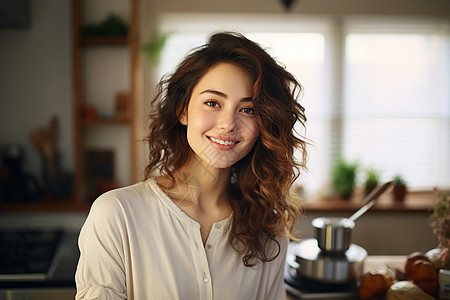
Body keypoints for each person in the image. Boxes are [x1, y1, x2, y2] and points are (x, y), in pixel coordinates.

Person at [75, 31, 308, 300]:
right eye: (212, 103)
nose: (228, 123)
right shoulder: (116, 214)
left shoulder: (268, 226)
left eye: (248, 109)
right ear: (182, 110)